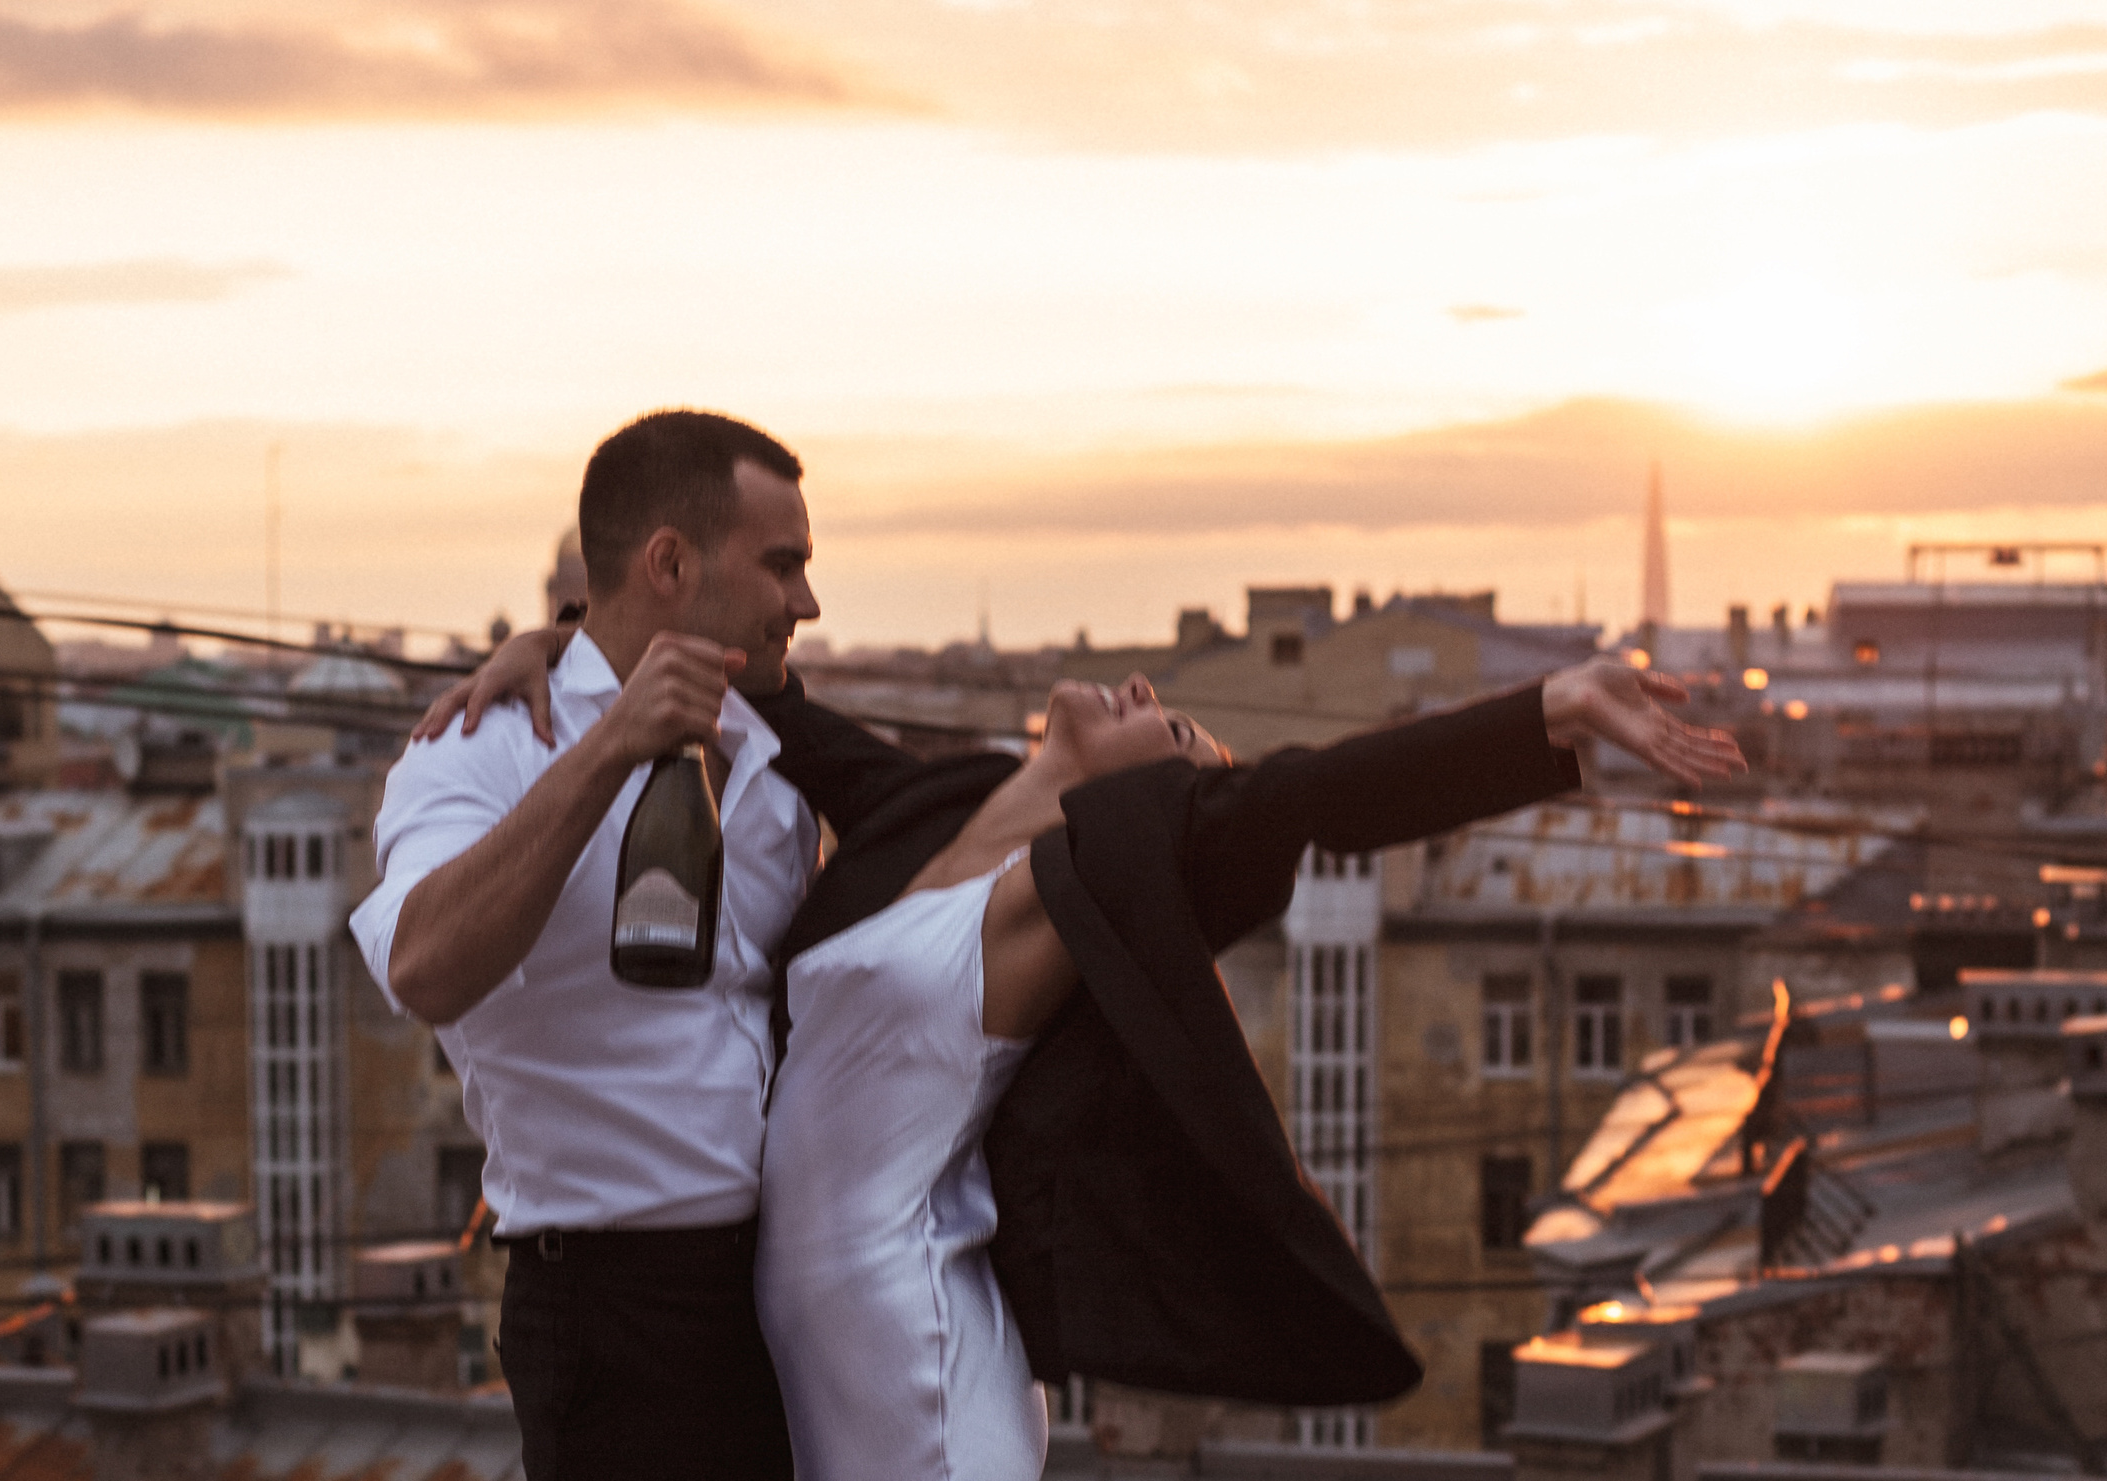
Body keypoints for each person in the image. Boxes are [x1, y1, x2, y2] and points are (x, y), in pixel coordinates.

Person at [434, 618, 1741, 1478]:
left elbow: (1310, 793)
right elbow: (762, 689)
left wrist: (1549, 710)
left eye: (1169, 733)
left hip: (908, 1321)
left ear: (1147, 798)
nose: (1147, 693)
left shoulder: (1070, 889)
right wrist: (564, 640)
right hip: (792, 1314)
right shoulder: (927, 803)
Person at [348, 409, 824, 1480]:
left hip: (789, 1288)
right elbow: (423, 966)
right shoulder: (480, 748)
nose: (805, 601)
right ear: (670, 562)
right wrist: (613, 741)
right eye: (782, 564)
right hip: (617, 1308)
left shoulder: (771, 739)